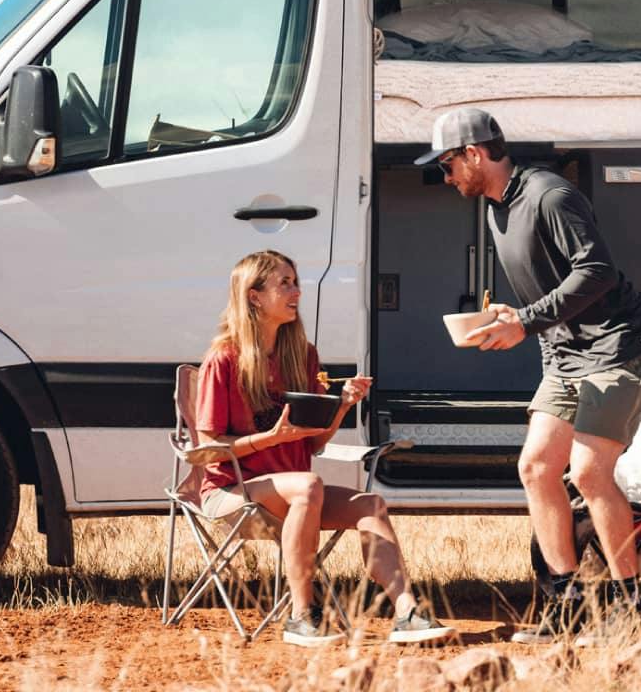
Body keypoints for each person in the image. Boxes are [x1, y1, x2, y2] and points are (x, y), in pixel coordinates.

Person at [418, 108, 641, 639]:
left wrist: (525, 323)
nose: (445, 177)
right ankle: (566, 605)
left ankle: (631, 609)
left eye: (447, 165)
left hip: (618, 345)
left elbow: (597, 271)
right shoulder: (493, 207)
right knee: (535, 469)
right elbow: (546, 287)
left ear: (474, 155)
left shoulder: (551, 196)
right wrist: (512, 318)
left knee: (590, 473)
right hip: (565, 353)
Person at [194, 249, 455, 647]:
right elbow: (209, 450)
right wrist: (269, 439)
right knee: (308, 485)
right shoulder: (224, 359)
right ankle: (301, 616)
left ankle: (407, 612)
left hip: (295, 495)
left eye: (296, 281)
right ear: (254, 295)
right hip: (232, 494)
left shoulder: (302, 356)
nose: (297, 291)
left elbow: (314, 441)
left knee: (370, 505)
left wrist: (343, 405)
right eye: (285, 283)